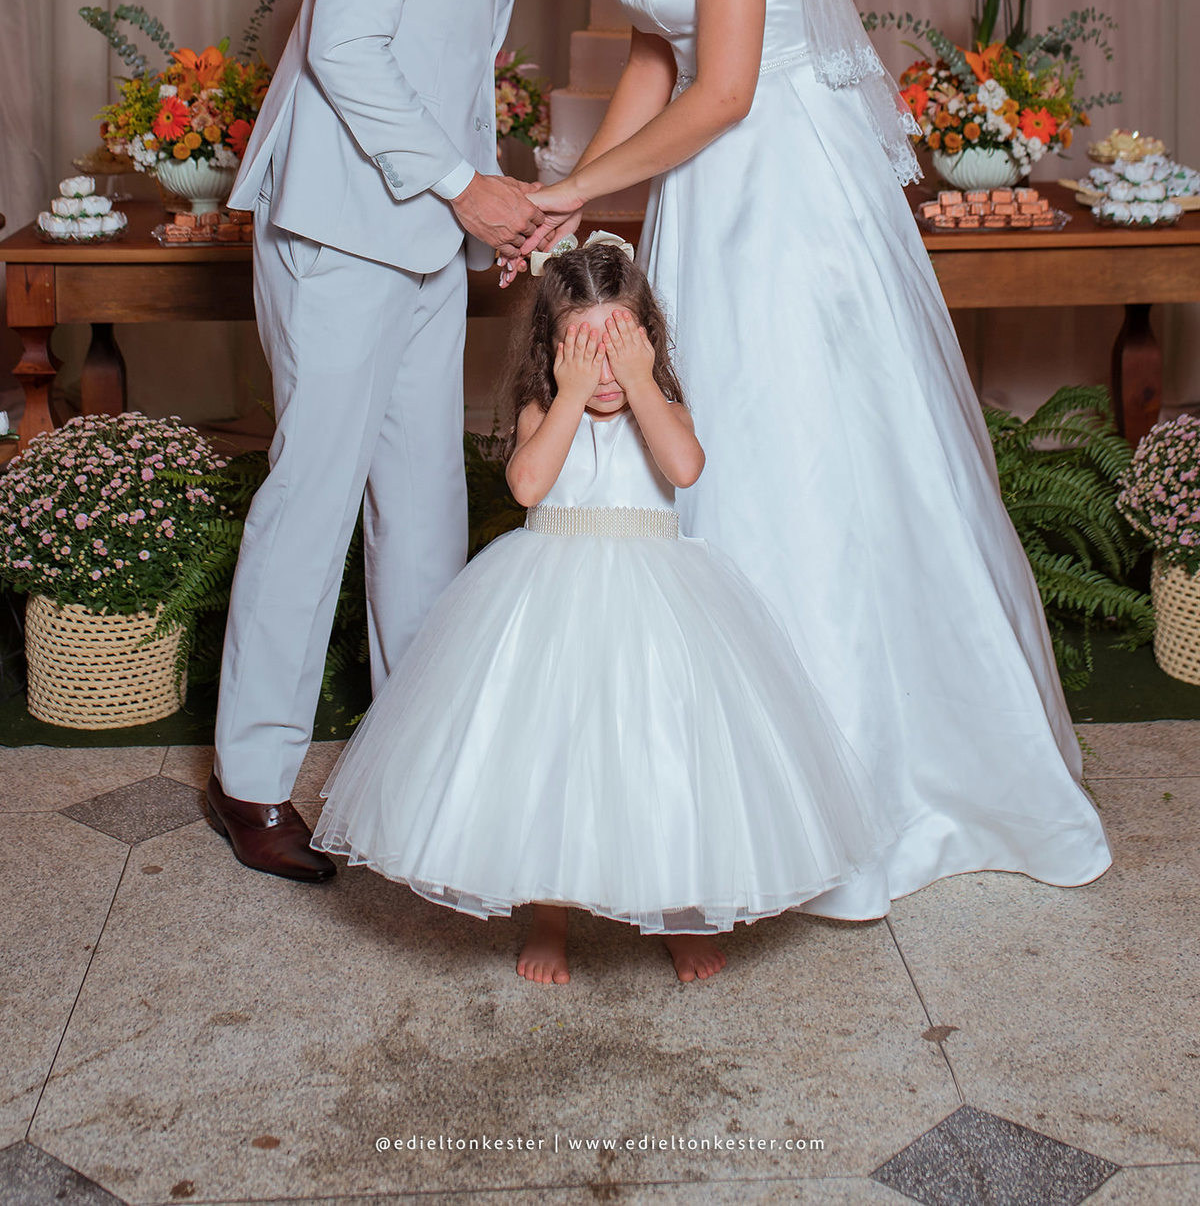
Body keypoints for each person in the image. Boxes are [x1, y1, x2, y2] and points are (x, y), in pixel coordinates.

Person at [523, 0, 1111, 918]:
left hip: (777, 191)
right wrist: (577, 194)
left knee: (791, 452)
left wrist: (588, 190)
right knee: (710, 450)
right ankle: (726, 783)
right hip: (702, 193)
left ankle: (858, 793)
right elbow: (655, 58)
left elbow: (727, 87)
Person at [206, 0, 589, 883]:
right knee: (313, 497)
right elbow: (345, 46)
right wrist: (461, 186)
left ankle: (417, 770)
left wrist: (489, 208)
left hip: (418, 235)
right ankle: (251, 782)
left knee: (421, 508)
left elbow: (444, 69)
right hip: (336, 227)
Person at [312, 234, 891, 982]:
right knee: (548, 761)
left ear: (647, 341)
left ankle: (679, 910)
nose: (604, 370)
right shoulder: (543, 409)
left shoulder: (663, 407)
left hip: (658, 608)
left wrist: (644, 384)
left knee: (668, 757)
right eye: (585, 350)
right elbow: (528, 486)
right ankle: (549, 914)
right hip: (549, 604)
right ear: (551, 349)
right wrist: (570, 394)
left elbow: (684, 467)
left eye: (619, 348)